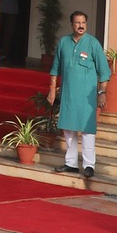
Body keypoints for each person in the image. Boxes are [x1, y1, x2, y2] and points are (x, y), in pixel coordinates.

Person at [46, 10, 111, 181]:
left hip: (86, 99)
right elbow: (55, 68)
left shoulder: (93, 44)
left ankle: (89, 166)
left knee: (87, 131)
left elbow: (104, 72)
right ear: (72, 24)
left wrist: (102, 93)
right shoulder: (63, 43)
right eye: (77, 23)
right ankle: (71, 164)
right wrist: (52, 89)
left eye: (83, 22)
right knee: (69, 130)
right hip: (68, 95)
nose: (81, 26)